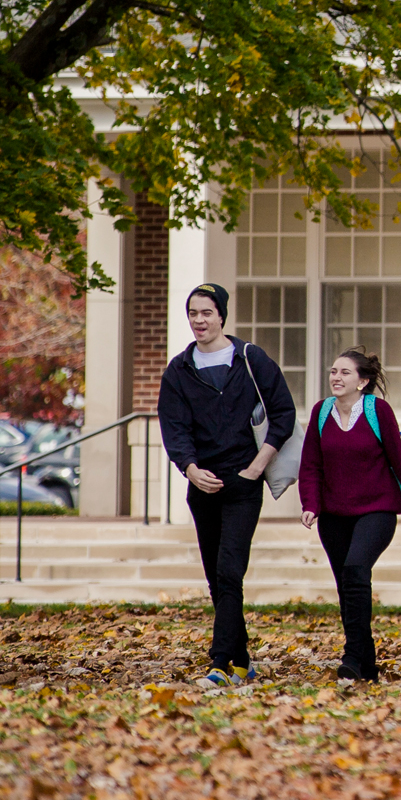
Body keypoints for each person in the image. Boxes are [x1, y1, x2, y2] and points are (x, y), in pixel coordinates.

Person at [157, 284, 296, 690]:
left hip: (242, 483)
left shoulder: (251, 359)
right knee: (217, 577)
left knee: (229, 570)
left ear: (222, 316)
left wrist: (257, 466)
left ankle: (219, 663)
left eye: (206, 312)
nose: (199, 320)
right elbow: (174, 427)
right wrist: (190, 468)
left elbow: (283, 414)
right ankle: (242, 659)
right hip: (203, 486)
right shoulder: (179, 370)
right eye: (193, 313)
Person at [297, 349, 401, 683]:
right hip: (334, 515)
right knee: (346, 585)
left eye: (345, 372)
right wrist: (310, 504)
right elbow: (310, 465)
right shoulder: (321, 412)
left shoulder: (378, 411)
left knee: (355, 571)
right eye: (333, 371)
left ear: (362, 381)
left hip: (377, 510)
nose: (336, 377)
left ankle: (351, 655)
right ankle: (366, 661)